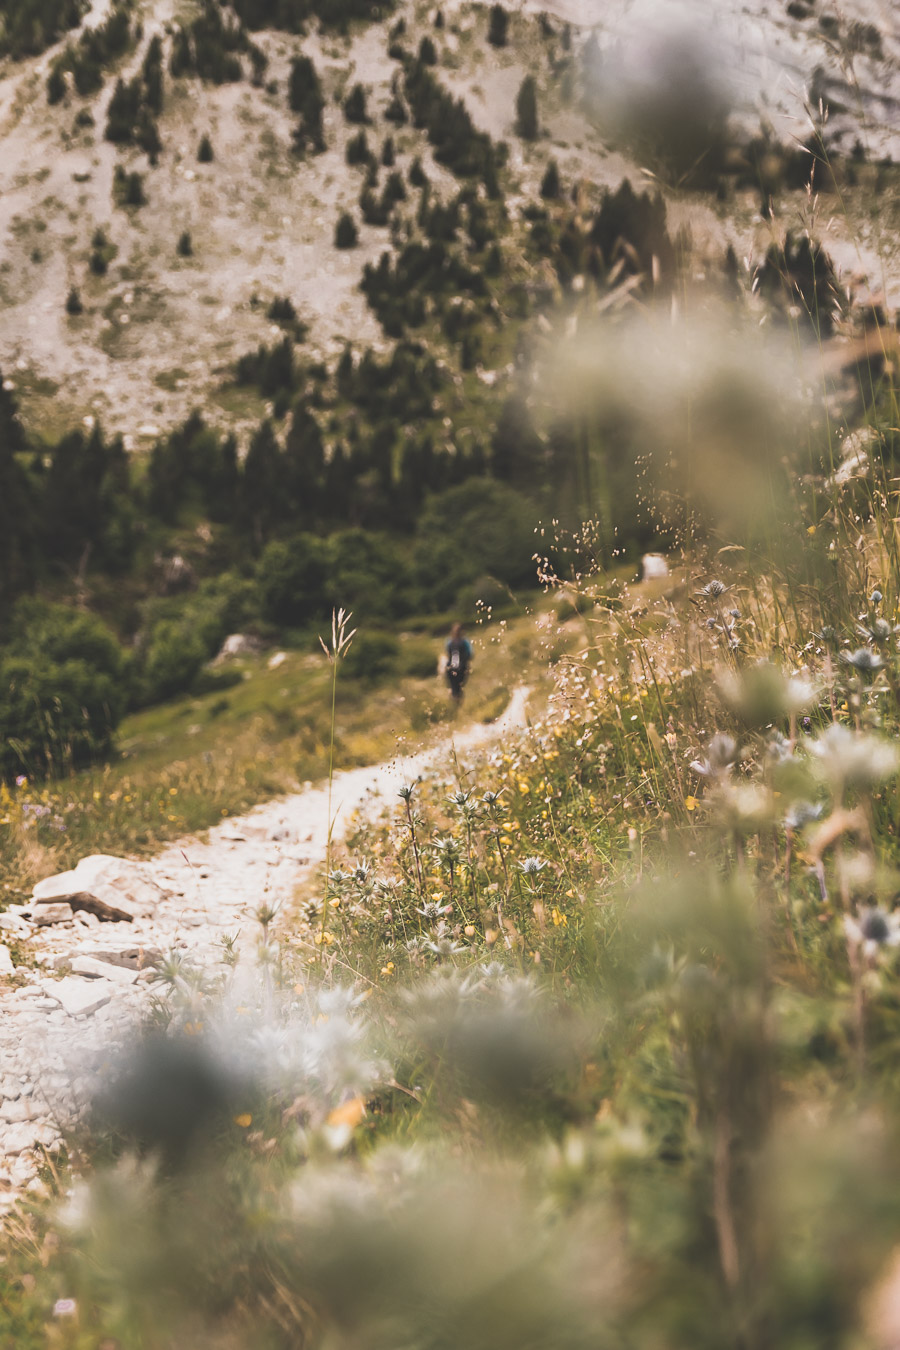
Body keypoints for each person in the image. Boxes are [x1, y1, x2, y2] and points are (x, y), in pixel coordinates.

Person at [445, 622, 473, 702]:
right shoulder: (449, 642)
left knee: (458, 687)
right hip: (452, 668)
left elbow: (470, 654)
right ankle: (455, 701)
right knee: (454, 686)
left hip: (462, 668)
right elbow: (448, 654)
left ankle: (457, 702)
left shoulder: (465, 642)